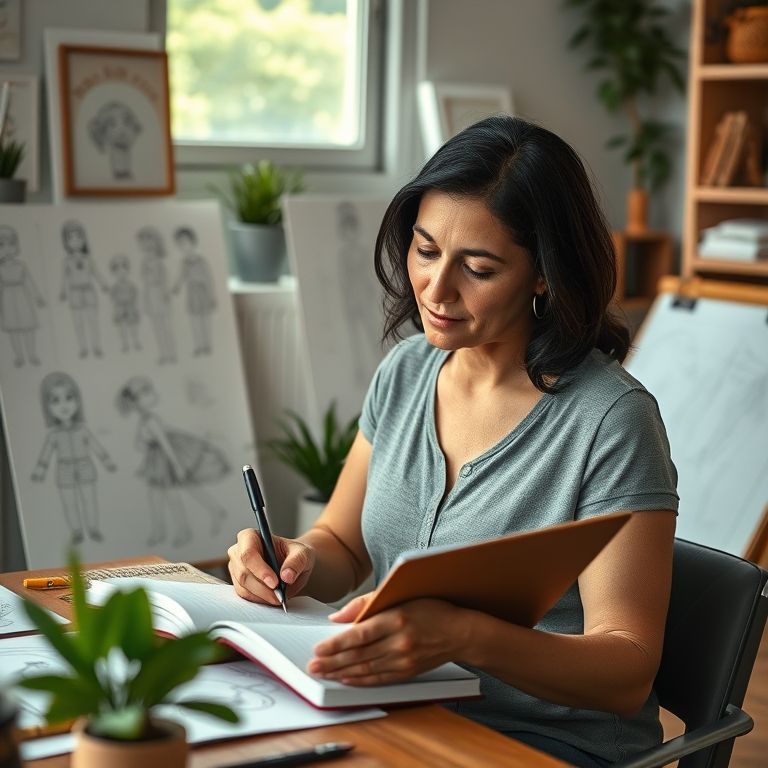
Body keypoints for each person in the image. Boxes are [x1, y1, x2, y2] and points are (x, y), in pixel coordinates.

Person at [227, 115, 678, 768]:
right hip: (401, 714)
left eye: (479, 267)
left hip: (545, 748)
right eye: (426, 249)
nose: (436, 290)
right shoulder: (407, 371)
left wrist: (464, 636)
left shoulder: (611, 420)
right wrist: (288, 562)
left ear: (544, 276)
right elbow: (344, 546)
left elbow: (627, 668)